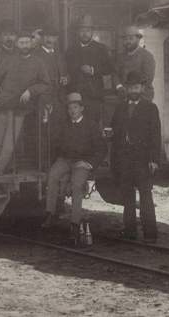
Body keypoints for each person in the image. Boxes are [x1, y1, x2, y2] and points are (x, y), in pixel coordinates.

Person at [0, 32, 52, 178]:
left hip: (20, 109)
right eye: (21, 43)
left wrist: (30, 91)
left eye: (27, 42)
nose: (25, 46)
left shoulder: (38, 63)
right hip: (2, 106)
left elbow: (46, 84)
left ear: (31, 44)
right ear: (17, 44)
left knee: (9, 145)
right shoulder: (8, 60)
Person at [42, 92, 107, 233]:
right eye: (70, 108)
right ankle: (50, 214)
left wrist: (89, 164)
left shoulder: (91, 125)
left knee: (77, 186)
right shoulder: (64, 125)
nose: (72, 111)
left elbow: (102, 149)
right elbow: (55, 143)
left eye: (75, 107)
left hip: (82, 163)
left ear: (81, 108)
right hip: (65, 160)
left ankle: (75, 223)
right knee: (52, 176)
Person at [110, 70, 161, 242]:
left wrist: (154, 160)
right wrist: (110, 134)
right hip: (124, 158)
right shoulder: (120, 107)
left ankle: (150, 233)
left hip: (142, 159)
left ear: (142, 88)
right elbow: (114, 130)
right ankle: (130, 231)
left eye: (137, 87)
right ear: (126, 88)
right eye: (131, 87)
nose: (134, 90)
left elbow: (155, 135)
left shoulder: (150, 108)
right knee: (127, 196)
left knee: (146, 195)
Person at [65, 15, 113, 121]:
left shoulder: (101, 48)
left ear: (92, 32)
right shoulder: (71, 50)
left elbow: (109, 68)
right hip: (75, 96)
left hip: (94, 96)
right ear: (78, 32)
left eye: (88, 30)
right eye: (82, 30)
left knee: (93, 126)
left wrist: (93, 70)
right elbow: (66, 70)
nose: (85, 33)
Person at [114, 26, 155, 102]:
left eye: (131, 38)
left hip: (143, 97)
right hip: (124, 97)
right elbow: (115, 73)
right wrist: (119, 87)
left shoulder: (147, 56)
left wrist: (132, 90)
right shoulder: (120, 57)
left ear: (138, 39)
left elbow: (148, 79)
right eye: (125, 39)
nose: (128, 41)